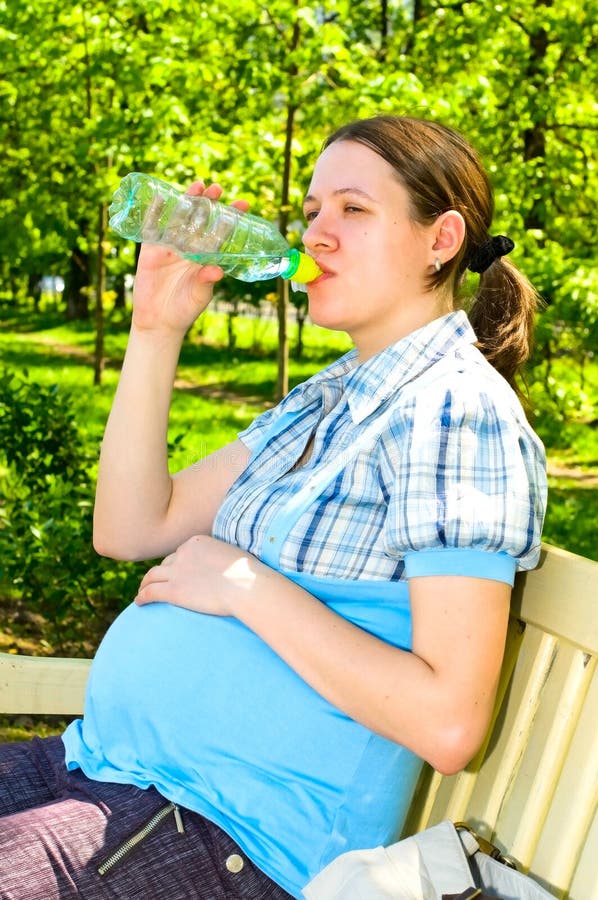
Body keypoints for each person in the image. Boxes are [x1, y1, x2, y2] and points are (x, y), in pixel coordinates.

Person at [0, 115, 547, 900]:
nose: (317, 234)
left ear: (442, 239)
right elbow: (130, 527)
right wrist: (156, 328)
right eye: (314, 209)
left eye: (353, 210)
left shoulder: (456, 411)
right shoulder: (325, 398)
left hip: (223, 835)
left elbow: (448, 722)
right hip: (105, 768)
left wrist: (243, 585)